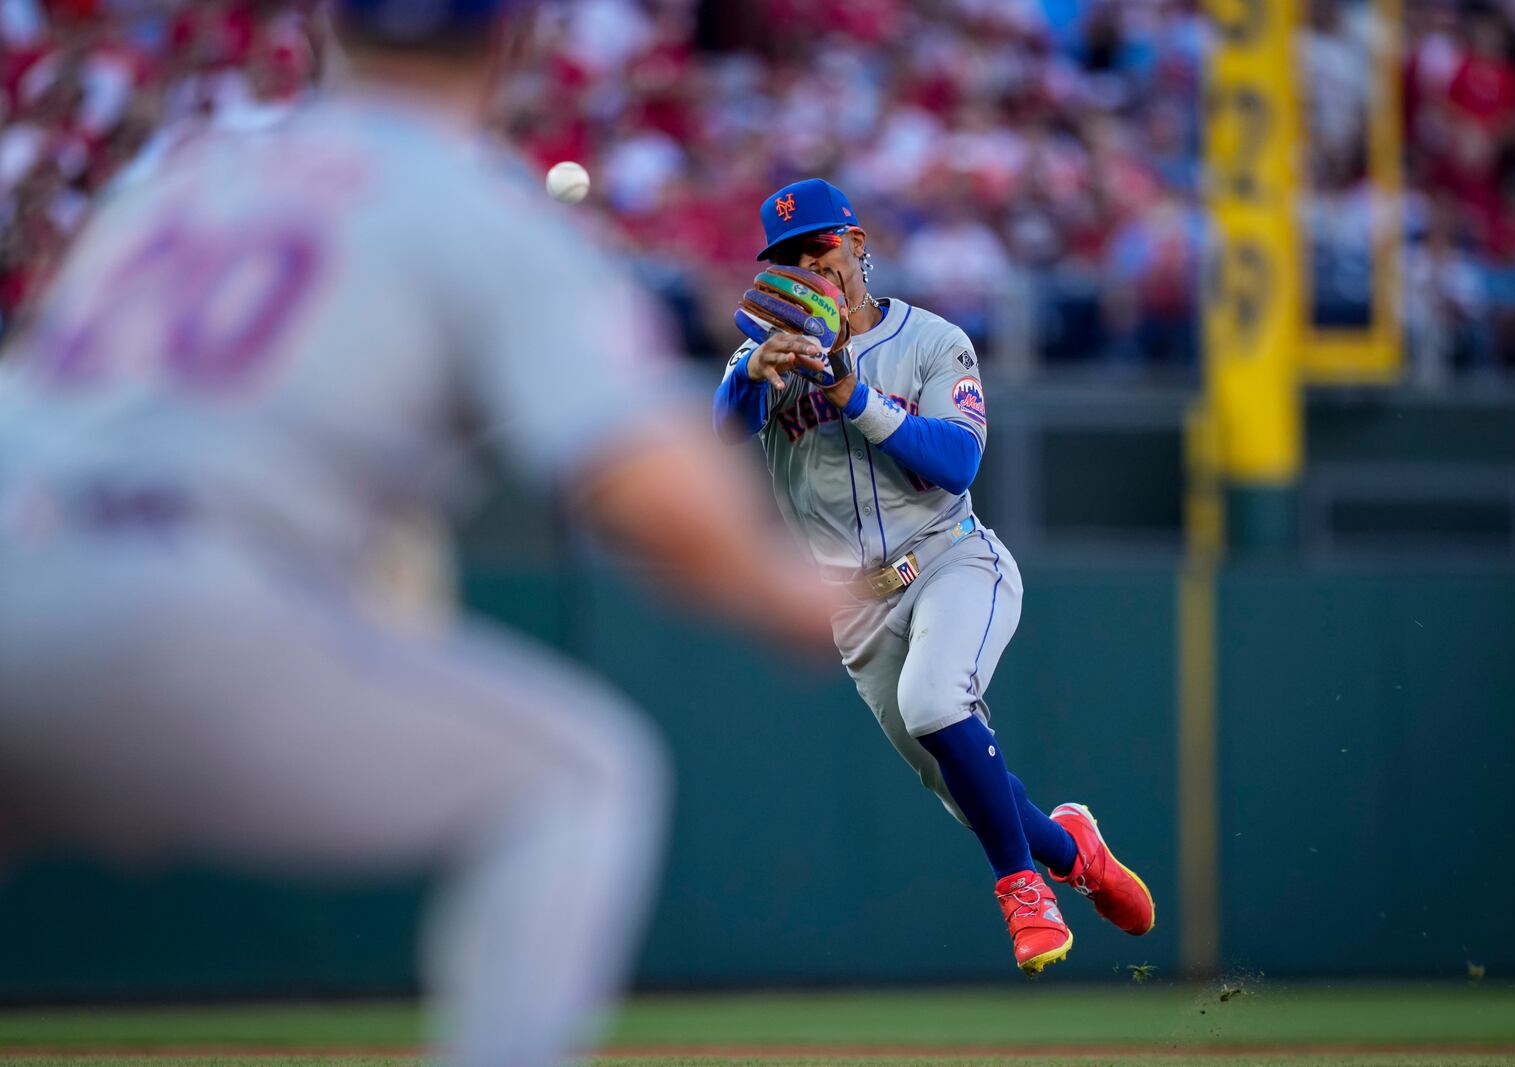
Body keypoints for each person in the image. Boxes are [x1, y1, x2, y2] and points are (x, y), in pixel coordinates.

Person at [0, 3, 837, 1067]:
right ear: (511, 42)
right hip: (173, 589)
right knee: (579, 775)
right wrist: (783, 591)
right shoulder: (473, 207)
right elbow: (654, 493)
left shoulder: (181, 174)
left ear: (322, 32)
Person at [712, 178, 1155, 976]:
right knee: (971, 794)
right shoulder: (765, 357)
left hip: (951, 562)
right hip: (857, 614)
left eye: (822, 246)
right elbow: (722, 430)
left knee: (935, 702)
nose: (811, 263)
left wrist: (851, 393)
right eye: (789, 256)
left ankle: (1023, 888)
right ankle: (1072, 850)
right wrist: (751, 373)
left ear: (858, 245)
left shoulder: (932, 340)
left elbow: (957, 461)